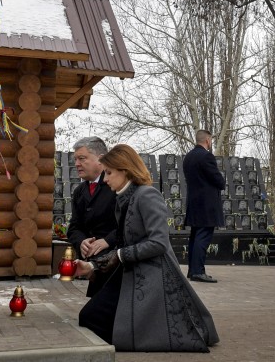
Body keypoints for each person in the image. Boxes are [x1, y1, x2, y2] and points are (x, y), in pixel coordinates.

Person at [75, 144, 219, 352]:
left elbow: (159, 243)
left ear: (124, 170)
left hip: (154, 275)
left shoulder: (147, 195)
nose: (105, 179)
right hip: (129, 272)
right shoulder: (123, 198)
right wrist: (92, 266)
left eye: (108, 173)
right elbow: (123, 242)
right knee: (89, 318)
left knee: (101, 325)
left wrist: (121, 255)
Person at [66, 136, 117, 297]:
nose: (77, 164)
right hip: (94, 263)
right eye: (75, 159)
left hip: (116, 263)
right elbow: (74, 227)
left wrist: (107, 240)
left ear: (100, 159)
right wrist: (81, 242)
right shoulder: (79, 192)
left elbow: (129, 225)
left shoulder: (116, 186)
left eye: (82, 158)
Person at [183, 129, 227, 283]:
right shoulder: (206, 156)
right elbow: (218, 181)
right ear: (208, 140)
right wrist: (222, 181)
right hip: (207, 205)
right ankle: (198, 271)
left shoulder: (188, 157)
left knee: (195, 238)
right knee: (203, 238)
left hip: (194, 204)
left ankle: (192, 270)